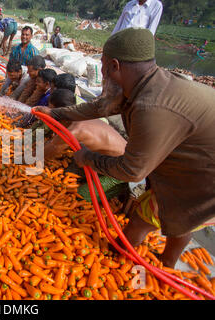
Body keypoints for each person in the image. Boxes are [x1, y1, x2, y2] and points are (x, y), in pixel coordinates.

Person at [34, 28, 215, 268]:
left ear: (115, 65)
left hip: (203, 179)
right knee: (181, 216)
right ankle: (167, 266)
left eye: (103, 66)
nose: (103, 74)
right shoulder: (149, 83)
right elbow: (98, 108)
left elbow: (132, 171)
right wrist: (55, 113)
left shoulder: (151, 106)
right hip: (193, 164)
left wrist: (88, 157)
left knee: (141, 221)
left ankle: (122, 263)